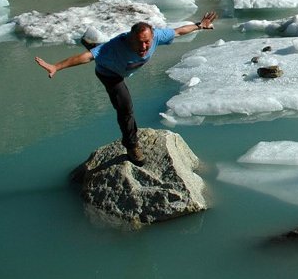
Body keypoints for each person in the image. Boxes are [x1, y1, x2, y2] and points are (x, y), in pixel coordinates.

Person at [34, 11, 218, 165]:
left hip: (119, 64)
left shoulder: (156, 37)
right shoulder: (116, 45)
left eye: (147, 42)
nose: (144, 46)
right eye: (139, 42)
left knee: (100, 50)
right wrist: (56, 66)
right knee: (125, 108)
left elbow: (178, 32)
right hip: (109, 74)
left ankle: (93, 43)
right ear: (131, 38)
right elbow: (86, 58)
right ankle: (131, 147)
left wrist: (199, 25)